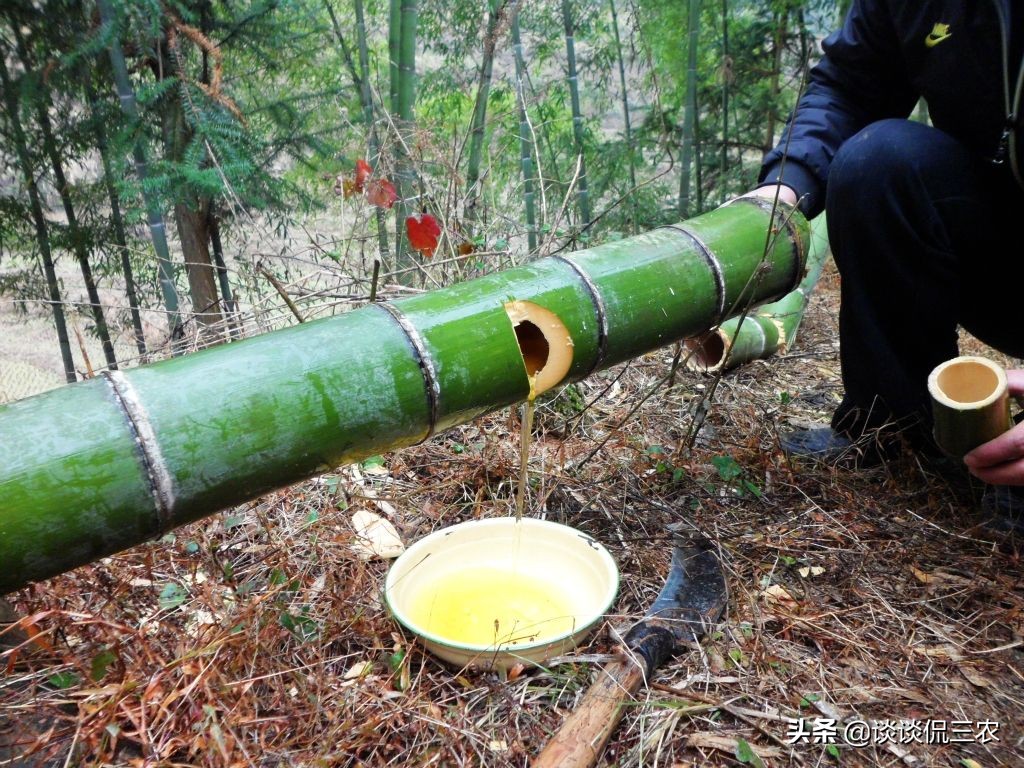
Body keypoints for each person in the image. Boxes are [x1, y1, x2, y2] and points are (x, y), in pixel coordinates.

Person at [746, 0, 1023, 530]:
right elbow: (851, 86)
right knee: (878, 162)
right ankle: (894, 429)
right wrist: (785, 185)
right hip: (998, 251)